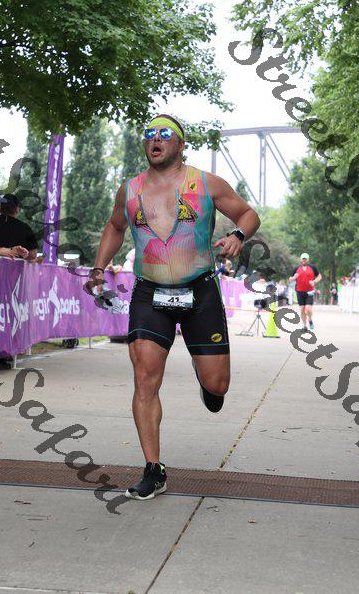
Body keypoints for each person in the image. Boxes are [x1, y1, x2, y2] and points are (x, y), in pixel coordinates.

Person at [86, 114, 260, 500]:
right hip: (150, 294)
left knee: (217, 385)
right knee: (145, 377)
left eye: (165, 134)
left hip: (200, 291)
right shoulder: (130, 190)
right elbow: (115, 226)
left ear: (181, 144)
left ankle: (206, 377)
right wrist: (99, 267)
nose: (156, 139)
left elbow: (249, 214)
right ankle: (154, 469)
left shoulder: (206, 183)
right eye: (149, 134)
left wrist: (237, 235)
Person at [0, 194, 38, 261]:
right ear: (17, 209)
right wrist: (19, 254)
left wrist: (7, 251)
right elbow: (33, 255)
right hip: (15, 267)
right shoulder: (25, 228)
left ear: (0, 208)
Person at [289, 253, 322, 330]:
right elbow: (290, 279)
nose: (304, 260)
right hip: (299, 291)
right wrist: (293, 278)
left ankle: (310, 320)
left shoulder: (312, 267)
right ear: (301, 259)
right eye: (303, 259)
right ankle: (304, 326)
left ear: (308, 260)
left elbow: (319, 276)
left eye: (305, 259)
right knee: (302, 310)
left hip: (309, 291)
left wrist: (314, 282)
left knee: (308, 309)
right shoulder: (296, 269)